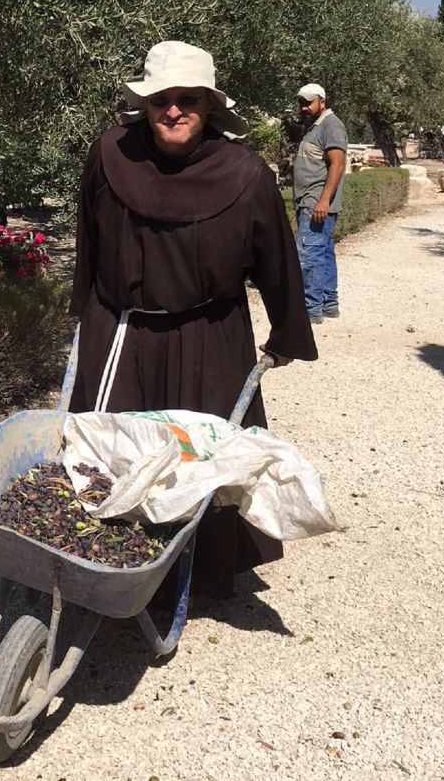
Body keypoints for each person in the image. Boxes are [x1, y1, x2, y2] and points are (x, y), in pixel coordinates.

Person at [69, 41, 318, 596]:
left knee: (205, 463)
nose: (173, 111)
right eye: (162, 99)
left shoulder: (246, 173)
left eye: (188, 99)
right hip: (121, 333)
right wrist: (82, 309)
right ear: (145, 103)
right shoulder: (109, 154)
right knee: (111, 455)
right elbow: (88, 239)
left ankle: (199, 574)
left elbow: (278, 261)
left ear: (209, 107)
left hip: (211, 337)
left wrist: (286, 333)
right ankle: (106, 570)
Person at [293, 84, 347, 324]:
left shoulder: (331, 125)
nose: (304, 107)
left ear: (321, 101)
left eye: (309, 102)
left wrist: (323, 201)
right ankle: (328, 304)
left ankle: (310, 309)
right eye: (301, 103)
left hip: (315, 202)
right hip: (313, 201)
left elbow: (337, 164)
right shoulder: (316, 126)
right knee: (324, 253)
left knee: (310, 255)